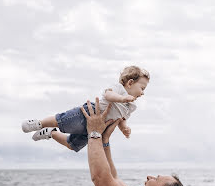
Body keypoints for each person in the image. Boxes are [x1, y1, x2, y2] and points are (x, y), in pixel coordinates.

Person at [21, 66, 149, 153]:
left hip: (98, 128)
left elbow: (121, 120)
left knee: (72, 145)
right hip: (88, 114)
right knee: (61, 120)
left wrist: (124, 129)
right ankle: (39, 123)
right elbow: (107, 95)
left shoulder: (131, 106)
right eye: (142, 88)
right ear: (130, 83)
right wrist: (122, 99)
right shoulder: (118, 89)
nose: (142, 93)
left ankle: (51, 133)